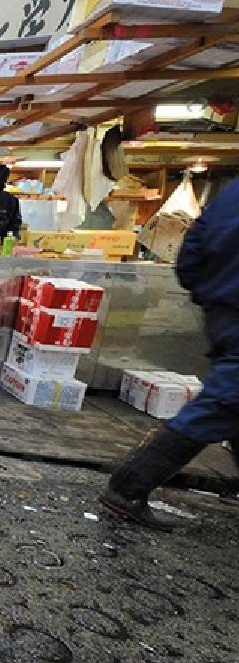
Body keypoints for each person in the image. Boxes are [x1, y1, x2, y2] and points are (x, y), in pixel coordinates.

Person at [100, 177, 239, 530]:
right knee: (226, 401)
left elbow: (189, 253)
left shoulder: (231, 193)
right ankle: (128, 487)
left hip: (222, 310)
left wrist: (209, 295)